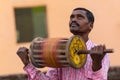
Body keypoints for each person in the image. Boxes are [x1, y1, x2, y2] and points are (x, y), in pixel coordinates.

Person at [17, 7, 110, 80]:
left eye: (79, 17)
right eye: (72, 17)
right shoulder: (60, 49)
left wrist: (96, 64)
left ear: (90, 25)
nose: (74, 20)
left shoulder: (100, 53)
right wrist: (27, 63)